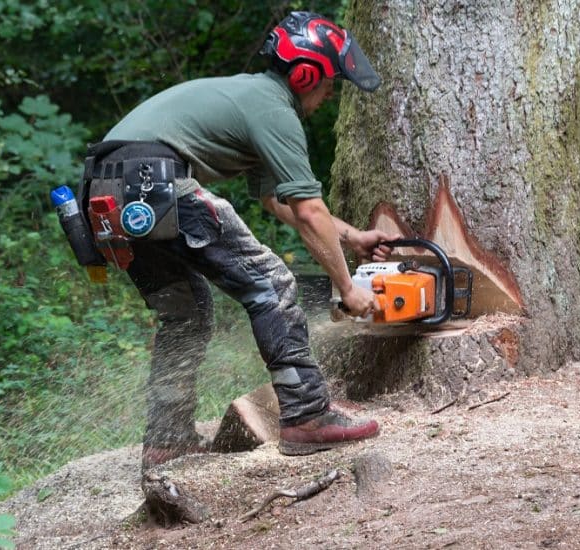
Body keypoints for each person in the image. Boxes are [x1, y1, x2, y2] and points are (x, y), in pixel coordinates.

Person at [80, 11, 398, 470]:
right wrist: (348, 289)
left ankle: (167, 440)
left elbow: (280, 201)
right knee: (272, 283)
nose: (331, 93)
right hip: (153, 179)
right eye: (330, 81)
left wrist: (352, 239)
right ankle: (307, 415)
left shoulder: (253, 100)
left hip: (105, 193)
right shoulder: (272, 107)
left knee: (187, 312)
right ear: (306, 73)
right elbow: (309, 210)